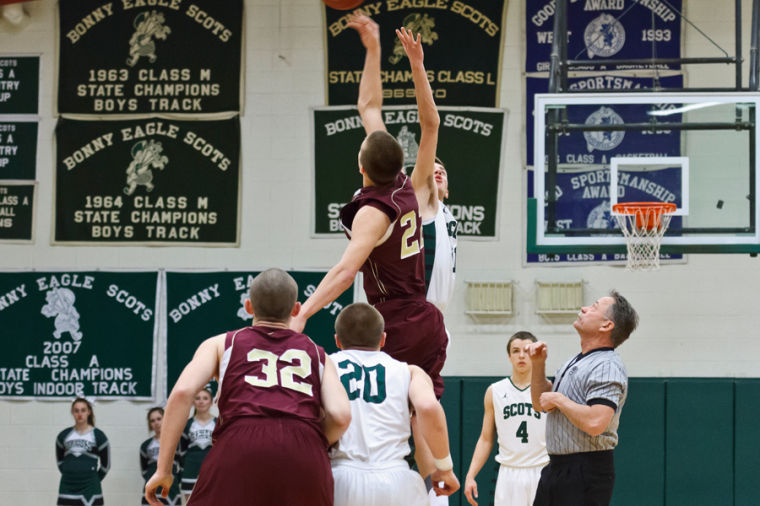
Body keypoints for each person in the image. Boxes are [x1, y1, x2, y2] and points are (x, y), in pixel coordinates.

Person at [145, 268, 351, 506]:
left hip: (240, 440)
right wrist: (309, 440)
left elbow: (182, 393)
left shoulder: (221, 343)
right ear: (296, 310)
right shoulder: (318, 353)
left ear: (249, 306)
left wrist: (163, 470)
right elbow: (341, 416)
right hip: (303, 445)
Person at [329, 302, 460, 505]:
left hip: (341, 477)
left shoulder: (324, 365)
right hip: (396, 480)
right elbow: (428, 407)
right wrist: (445, 468)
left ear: (337, 340)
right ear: (383, 339)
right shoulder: (409, 371)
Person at [527, 291, 639, 506]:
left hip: (585, 470)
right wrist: (538, 364)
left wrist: (559, 400)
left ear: (606, 325)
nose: (584, 309)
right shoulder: (576, 360)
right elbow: (540, 403)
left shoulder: (607, 365)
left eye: (593, 307)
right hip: (557, 467)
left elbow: (596, 423)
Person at [463, 332, 548, 506]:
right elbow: (486, 439)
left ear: (534, 355)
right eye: (516, 351)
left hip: (542, 469)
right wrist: (471, 475)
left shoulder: (547, 390)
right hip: (509, 473)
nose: (521, 355)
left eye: (527, 350)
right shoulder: (494, 391)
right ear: (509, 356)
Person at [55, 398, 110, 506]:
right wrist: (70, 473)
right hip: (67, 488)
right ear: (72, 412)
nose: (80, 414)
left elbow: (106, 465)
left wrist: (94, 479)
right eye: (76, 411)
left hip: (90, 490)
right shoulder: (63, 435)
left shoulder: (99, 435)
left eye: (83, 410)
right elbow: (60, 462)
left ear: (89, 412)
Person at [422, 157, 457, 314]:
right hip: (420, 301)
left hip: (439, 308)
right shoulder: (420, 207)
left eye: (442, 172)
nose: (438, 172)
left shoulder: (450, 219)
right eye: (433, 171)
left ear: (447, 192)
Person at [179, 386, 216, 501]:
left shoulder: (219, 423)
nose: (201, 401)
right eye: (197, 398)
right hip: (191, 470)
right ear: (193, 402)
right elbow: (181, 451)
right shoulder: (186, 424)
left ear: (211, 402)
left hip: (213, 470)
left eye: (205, 398)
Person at [140, 407, 182, 506]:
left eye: (159, 419)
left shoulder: (176, 442)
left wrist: (175, 479)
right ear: (150, 424)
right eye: (152, 421)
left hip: (171, 489)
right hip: (152, 489)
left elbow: (183, 465)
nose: (156, 423)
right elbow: (144, 471)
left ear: (165, 419)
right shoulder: (145, 445)